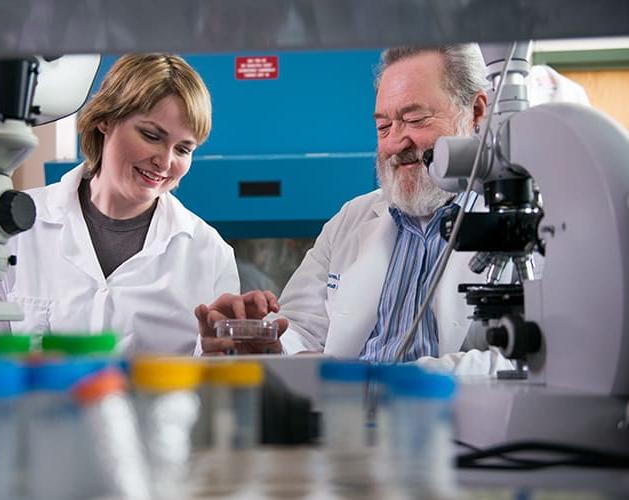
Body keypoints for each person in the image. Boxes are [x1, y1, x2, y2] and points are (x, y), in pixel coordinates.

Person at [196, 44, 516, 374]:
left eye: (415, 119)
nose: (394, 143)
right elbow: (300, 331)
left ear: (477, 112)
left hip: (461, 419)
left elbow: (538, 361)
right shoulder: (352, 219)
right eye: (383, 126)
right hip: (344, 420)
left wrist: (380, 382)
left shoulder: (524, 221)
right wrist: (264, 344)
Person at [0, 54, 239, 356]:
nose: (165, 161)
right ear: (105, 120)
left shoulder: (209, 253)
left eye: (183, 149)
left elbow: (220, 373)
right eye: (151, 136)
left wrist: (222, 354)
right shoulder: (18, 223)